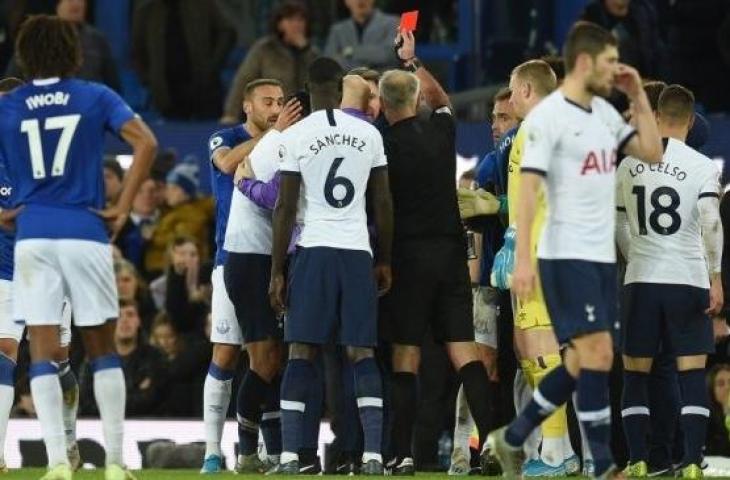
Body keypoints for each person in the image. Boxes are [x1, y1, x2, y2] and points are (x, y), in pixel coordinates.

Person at [487, 21, 662, 480]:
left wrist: (638, 94)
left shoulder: (601, 113)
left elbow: (652, 151)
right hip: (563, 253)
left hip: (598, 255)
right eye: (609, 62)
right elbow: (527, 190)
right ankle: (599, 463)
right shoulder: (548, 120)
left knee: (591, 357)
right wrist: (523, 256)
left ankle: (514, 437)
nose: (614, 70)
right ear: (585, 62)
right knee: (594, 353)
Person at [0, 15, 157, 480]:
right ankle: (112, 462)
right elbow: (145, 143)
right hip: (85, 230)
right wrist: (123, 207)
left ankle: (55, 466)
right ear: (75, 53)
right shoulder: (94, 95)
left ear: (24, 57)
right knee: (102, 347)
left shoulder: (11, 104)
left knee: (43, 352)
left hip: (33, 237)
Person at [268, 56, 394, 475]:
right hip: (357, 251)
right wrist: (386, 259)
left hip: (315, 251)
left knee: (301, 350)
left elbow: (285, 207)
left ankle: (289, 457)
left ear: (308, 88)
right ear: (341, 88)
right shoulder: (369, 134)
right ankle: (374, 456)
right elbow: (383, 204)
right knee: (361, 353)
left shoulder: (296, 135)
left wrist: (277, 271)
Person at [378, 31, 493, 475]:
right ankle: (494, 447)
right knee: (464, 352)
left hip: (408, 257)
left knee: (407, 354)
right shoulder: (442, 131)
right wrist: (413, 61)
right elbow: (442, 97)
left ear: (385, 105)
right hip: (450, 254)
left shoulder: (383, 144)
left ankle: (401, 454)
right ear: (415, 98)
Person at [616, 84, 722, 479]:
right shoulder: (701, 165)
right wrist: (715, 276)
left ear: (657, 116)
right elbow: (711, 223)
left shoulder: (628, 164)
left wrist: (636, 253)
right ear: (691, 121)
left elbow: (618, 221)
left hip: (640, 279)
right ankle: (692, 461)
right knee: (691, 373)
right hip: (687, 278)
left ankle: (638, 459)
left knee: (635, 375)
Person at [200, 78, 300, 474]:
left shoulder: (287, 139)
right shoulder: (224, 138)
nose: (275, 108)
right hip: (232, 256)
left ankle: (269, 449)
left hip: (275, 256)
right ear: (247, 106)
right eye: (267, 101)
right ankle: (212, 451)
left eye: (279, 101)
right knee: (225, 354)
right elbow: (226, 165)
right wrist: (275, 134)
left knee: (272, 357)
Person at [450, 87, 519, 476]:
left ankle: (526, 451)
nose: (495, 125)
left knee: (529, 365)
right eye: (493, 118)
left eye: (503, 118)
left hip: (529, 283)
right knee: (481, 366)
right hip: (492, 284)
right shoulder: (492, 165)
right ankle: (464, 454)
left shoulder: (526, 157)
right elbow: (472, 220)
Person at [132, 0, 235, 118]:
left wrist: (212, 66)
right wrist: (150, 80)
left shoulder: (202, 4)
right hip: (167, 94)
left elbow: (227, 32)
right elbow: (138, 50)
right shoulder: (147, 11)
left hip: (204, 89)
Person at [221, 1, 319, 124]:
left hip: (306, 120)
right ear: (280, 24)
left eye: (300, 20)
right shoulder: (264, 49)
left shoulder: (312, 53)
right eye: (290, 20)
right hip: (271, 119)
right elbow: (243, 81)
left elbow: (321, 86)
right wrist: (230, 114)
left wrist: (305, 51)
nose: (296, 25)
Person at [6, 0, 121, 92]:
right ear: (57, 4)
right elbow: (11, 80)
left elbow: (113, 83)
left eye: (81, 0)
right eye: (70, 0)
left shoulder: (97, 39)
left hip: (86, 110)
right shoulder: (36, 38)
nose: (76, 3)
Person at [143, 162, 215, 278]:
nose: (168, 192)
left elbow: (180, 241)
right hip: (163, 271)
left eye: (174, 188)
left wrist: (153, 236)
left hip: (175, 273)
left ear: (186, 193)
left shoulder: (192, 215)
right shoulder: (172, 211)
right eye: (168, 187)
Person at [324, 0, 399, 71]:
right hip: (347, 81)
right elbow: (330, 61)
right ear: (346, 1)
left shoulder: (393, 22)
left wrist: (350, 51)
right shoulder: (338, 30)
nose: (360, 0)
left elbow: (389, 54)